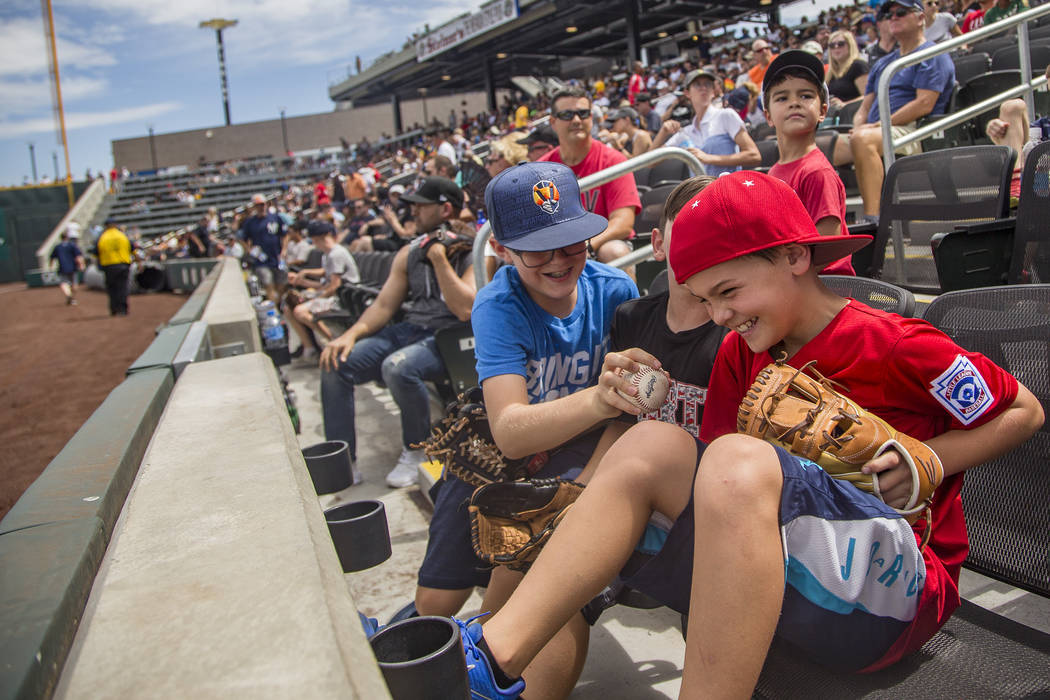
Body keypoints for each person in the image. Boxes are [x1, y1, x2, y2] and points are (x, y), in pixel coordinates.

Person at [452, 170, 1044, 699]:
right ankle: (490, 659)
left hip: (897, 596)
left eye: (729, 292)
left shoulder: (894, 343)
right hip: (794, 575)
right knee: (653, 443)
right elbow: (706, 470)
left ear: (793, 257)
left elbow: (1024, 412)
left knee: (733, 458)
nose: (718, 316)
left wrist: (927, 460)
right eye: (705, 299)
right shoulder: (741, 351)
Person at [430, 161, 638, 698]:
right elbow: (510, 433)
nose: (559, 261)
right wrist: (598, 399)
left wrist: (584, 487)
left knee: (534, 560)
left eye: (571, 243)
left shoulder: (615, 290)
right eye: (537, 248)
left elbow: (636, 413)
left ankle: (484, 663)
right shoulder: (498, 305)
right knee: (434, 598)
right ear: (500, 248)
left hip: (584, 452)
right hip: (499, 452)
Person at [319, 177, 477, 488]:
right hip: (411, 329)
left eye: (421, 205)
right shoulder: (409, 252)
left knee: (398, 367)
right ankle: (343, 461)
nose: (413, 211)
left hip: (451, 337)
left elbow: (465, 309)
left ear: (445, 208)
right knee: (335, 362)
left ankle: (418, 450)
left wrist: (439, 258)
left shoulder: (473, 246)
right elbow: (383, 306)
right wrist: (349, 336)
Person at [837, 0, 955, 221]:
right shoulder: (883, 63)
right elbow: (864, 107)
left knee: (863, 140)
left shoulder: (932, 53)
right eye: (889, 15)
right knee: (818, 147)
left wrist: (877, 126)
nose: (893, 17)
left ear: (921, 18)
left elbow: (924, 104)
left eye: (901, 12)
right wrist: (859, 126)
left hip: (915, 130)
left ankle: (874, 220)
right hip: (878, 130)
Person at [765, 50, 856, 275]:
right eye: (782, 98)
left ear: (823, 110)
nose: (794, 103)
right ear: (768, 116)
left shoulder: (817, 172)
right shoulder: (773, 173)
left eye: (805, 96)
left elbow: (827, 251)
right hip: (791, 281)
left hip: (824, 287)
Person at [538, 86, 641, 269]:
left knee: (614, 251)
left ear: (591, 118)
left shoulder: (613, 160)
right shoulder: (540, 169)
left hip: (599, 245)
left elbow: (623, 222)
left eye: (583, 113)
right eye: (567, 115)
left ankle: (629, 299)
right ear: (553, 122)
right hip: (556, 249)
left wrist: (586, 246)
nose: (577, 120)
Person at [651, 68, 761, 177]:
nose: (703, 88)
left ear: (713, 91)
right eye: (697, 84)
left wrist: (709, 158)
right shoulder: (685, 132)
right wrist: (663, 132)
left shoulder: (726, 115)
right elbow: (651, 162)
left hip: (727, 190)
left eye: (707, 84)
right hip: (701, 193)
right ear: (687, 93)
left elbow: (754, 155)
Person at [286, 221, 361, 363]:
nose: (315, 243)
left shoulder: (336, 253)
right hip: (334, 294)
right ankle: (310, 347)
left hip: (344, 299)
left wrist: (314, 297)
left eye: (316, 239)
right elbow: (325, 275)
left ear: (325, 236)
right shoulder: (328, 254)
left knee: (300, 311)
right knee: (288, 308)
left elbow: (334, 287)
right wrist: (303, 278)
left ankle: (335, 342)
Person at [239, 193, 287, 299]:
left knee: (281, 283)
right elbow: (242, 239)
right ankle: (274, 309)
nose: (261, 207)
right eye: (258, 205)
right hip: (261, 260)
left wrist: (284, 250)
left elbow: (284, 235)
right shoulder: (250, 222)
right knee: (268, 282)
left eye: (263, 204)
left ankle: (277, 304)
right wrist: (250, 250)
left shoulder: (275, 218)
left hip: (277, 257)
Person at [95, 219, 133, 316]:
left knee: (112, 288)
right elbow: (132, 248)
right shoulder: (122, 236)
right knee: (122, 287)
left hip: (109, 266)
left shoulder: (102, 237)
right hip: (123, 264)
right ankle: (123, 309)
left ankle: (114, 309)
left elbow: (96, 253)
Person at [826, 31, 869, 111]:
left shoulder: (858, 65)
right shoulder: (830, 73)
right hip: (835, 117)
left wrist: (845, 104)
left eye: (841, 44)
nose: (836, 47)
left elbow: (868, 96)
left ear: (850, 46)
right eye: (832, 45)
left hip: (854, 115)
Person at [50, 227, 84, 306]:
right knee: (74, 284)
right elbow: (78, 256)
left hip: (62, 268)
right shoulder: (72, 245)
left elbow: (52, 258)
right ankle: (71, 297)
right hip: (73, 267)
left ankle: (69, 295)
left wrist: (51, 266)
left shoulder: (58, 247)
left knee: (63, 284)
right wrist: (81, 265)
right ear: (67, 237)